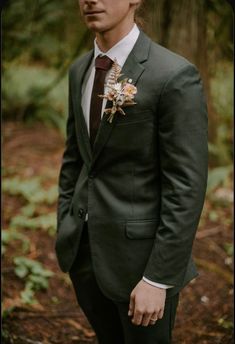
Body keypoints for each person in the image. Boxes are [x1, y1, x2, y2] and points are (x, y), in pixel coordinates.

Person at [55, 0, 208, 343]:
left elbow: (186, 185)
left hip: (142, 266)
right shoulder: (80, 69)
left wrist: (158, 278)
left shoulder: (173, 74)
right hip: (84, 255)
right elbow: (75, 159)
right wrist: (66, 221)